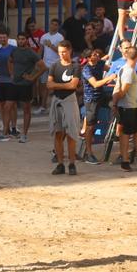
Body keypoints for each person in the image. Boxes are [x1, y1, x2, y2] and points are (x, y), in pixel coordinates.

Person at [48, 42, 81, 176]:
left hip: (69, 100)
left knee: (71, 133)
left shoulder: (76, 66)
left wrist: (57, 85)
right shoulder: (54, 65)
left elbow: (73, 86)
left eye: (64, 51)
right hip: (57, 101)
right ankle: (60, 163)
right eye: (60, 51)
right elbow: (48, 85)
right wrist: (63, 85)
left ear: (70, 51)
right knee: (58, 133)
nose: (62, 54)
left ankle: (72, 163)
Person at [110, 46, 137, 172]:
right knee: (126, 134)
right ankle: (125, 160)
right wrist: (115, 104)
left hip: (131, 105)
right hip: (127, 107)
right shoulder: (128, 71)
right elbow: (122, 91)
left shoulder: (126, 69)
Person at [8, 32, 43, 143]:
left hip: (25, 85)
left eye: (23, 39)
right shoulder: (14, 51)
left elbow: (43, 67)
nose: (21, 41)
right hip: (14, 83)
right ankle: (8, 130)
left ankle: (24, 134)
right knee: (7, 106)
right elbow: (10, 61)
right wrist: (12, 73)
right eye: (19, 39)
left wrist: (32, 77)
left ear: (26, 40)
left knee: (26, 109)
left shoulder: (31, 53)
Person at [80, 47, 113, 163]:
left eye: (97, 54)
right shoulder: (86, 70)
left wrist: (116, 73)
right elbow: (95, 84)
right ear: (89, 58)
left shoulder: (100, 63)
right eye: (94, 55)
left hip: (101, 96)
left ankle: (116, 128)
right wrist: (109, 78)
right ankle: (88, 153)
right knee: (91, 127)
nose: (97, 56)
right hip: (91, 99)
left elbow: (110, 68)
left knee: (116, 104)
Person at [0, 29, 16, 141]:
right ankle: (7, 129)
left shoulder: (13, 49)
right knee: (4, 106)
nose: (2, 39)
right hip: (0, 80)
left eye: (4, 37)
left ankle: (10, 129)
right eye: (0, 37)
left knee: (9, 106)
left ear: (8, 37)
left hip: (11, 81)